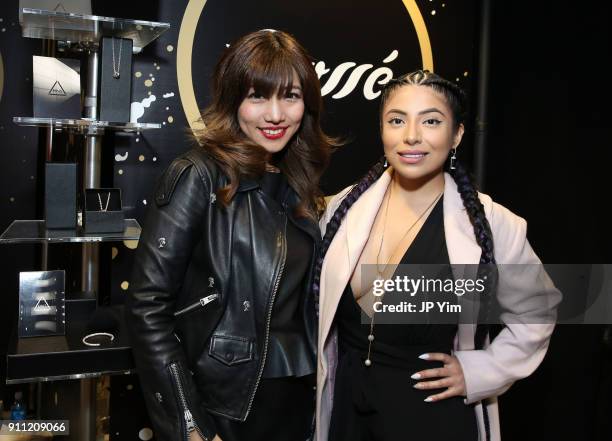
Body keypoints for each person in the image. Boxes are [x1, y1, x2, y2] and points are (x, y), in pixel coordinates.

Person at [313, 70, 561, 441]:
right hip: (346, 413)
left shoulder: (493, 223)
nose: (411, 135)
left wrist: (481, 369)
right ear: (382, 130)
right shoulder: (342, 210)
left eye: (431, 121)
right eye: (397, 120)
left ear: (457, 134)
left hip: (430, 416)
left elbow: (538, 313)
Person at [126, 29, 335, 441]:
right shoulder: (197, 175)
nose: (275, 115)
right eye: (257, 96)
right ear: (232, 100)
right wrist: (191, 423)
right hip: (225, 408)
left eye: (290, 96)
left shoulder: (299, 185)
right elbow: (148, 307)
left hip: (298, 402)